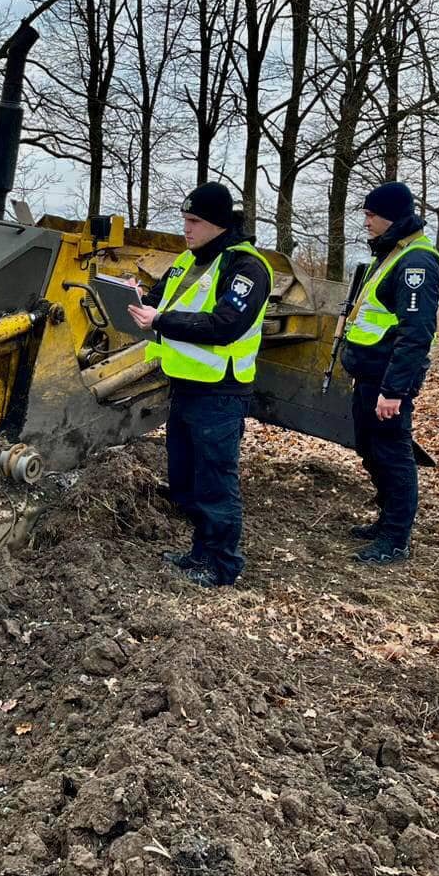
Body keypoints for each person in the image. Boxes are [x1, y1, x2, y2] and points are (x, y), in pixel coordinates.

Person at [127, 183, 273, 587]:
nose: (186, 229)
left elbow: (226, 325)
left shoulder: (246, 268)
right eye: (185, 220)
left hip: (220, 392)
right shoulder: (189, 260)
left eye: (194, 222)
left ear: (218, 225)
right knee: (187, 478)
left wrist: (159, 320)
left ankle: (223, 564)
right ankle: (199, 553)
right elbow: (162, 299)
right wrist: (140, 299)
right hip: (186, 386)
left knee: (215, 481)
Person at [340, 181, 439, 564]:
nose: (366, 221)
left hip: (388, 381)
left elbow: (415, 334)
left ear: (392, 217)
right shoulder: (392, 253)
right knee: (372, 450)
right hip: (370, 375)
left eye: (371, 214)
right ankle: (385, 520)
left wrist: (395, 391)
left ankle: (395, 537)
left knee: (392, 454)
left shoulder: (416, 262)